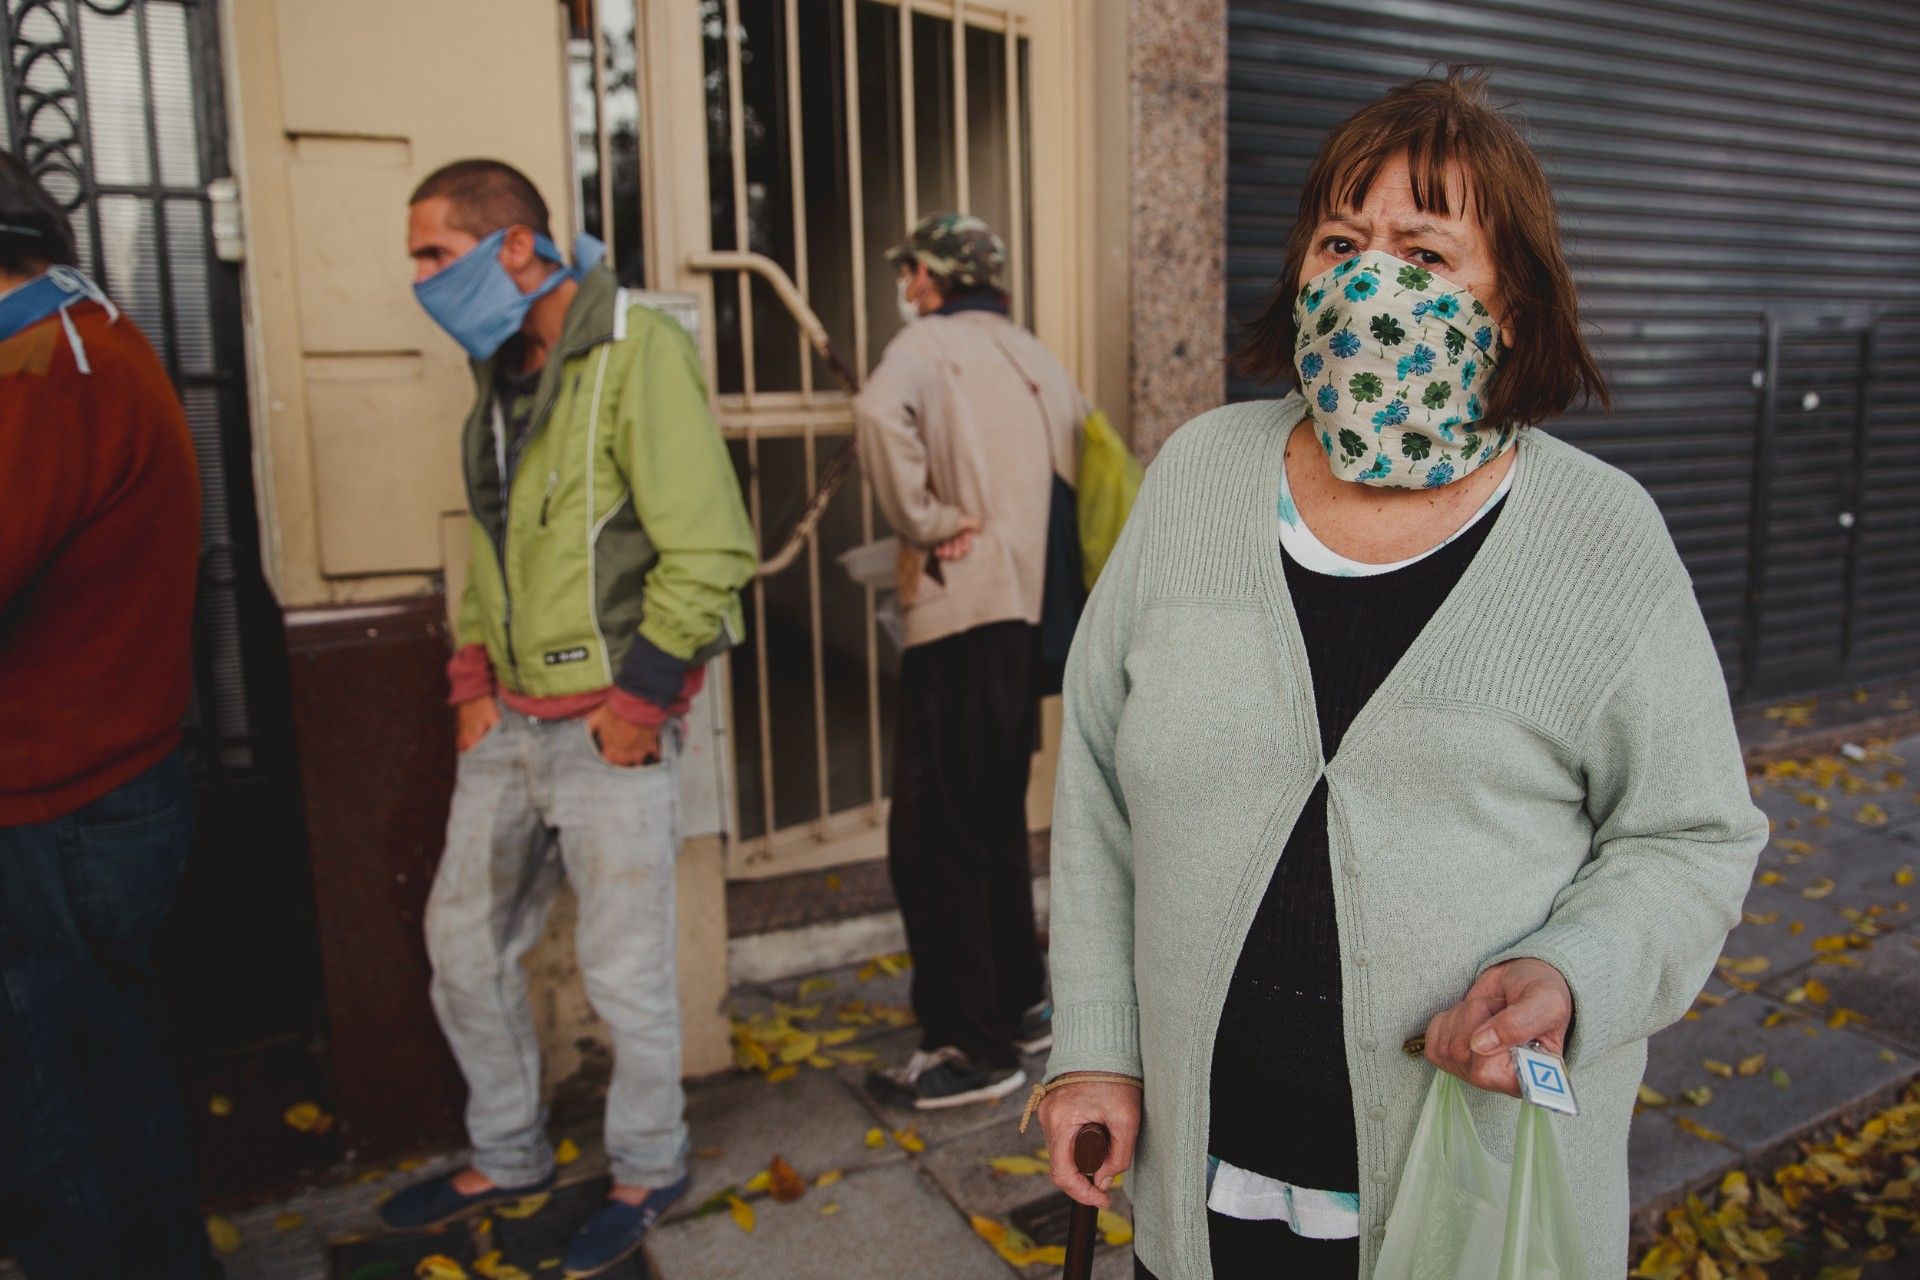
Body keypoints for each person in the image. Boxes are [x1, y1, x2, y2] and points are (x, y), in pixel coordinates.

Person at [1032, 69, 1767, 1279]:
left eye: (1424, 253)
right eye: (1342, 241)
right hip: (1205, 1179)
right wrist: (1098, 1047)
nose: (1372, 280)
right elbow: (1102, 786)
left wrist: (1576, 974)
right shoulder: (1200, 476)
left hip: (1461, 1203)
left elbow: (1691, 835)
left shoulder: (1603, 536)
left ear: (1513, 304)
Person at [379, 159, 756, 1278]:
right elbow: (494, 544)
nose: (417, 281)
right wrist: (473, 689)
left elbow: (710, 545)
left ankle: (647, 1162)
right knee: (460, 945)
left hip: (609, 723)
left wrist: (639, 705)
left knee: (624, 971)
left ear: (515, 249)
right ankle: (508, 1151)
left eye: (432, 255)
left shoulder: (638, 345)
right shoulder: (503, 366)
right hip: (507, 723)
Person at [0, 153, 212, 1278]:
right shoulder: (82, 338)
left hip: (59, 801)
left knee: (57, 1107)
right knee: (100, 1075)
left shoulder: (40, 370)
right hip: (95, 788)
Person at [853, 213, 1089, 1109]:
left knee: (934, 836)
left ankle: (970, 1046)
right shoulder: (1034, 354)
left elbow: (877, 414)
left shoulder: (926, 343)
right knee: (991, 821)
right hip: (1029, 621)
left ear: (934, 273)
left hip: (962, 613)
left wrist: (930, 521)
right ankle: (1023, 1003)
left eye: (910, 269)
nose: (907, 285)